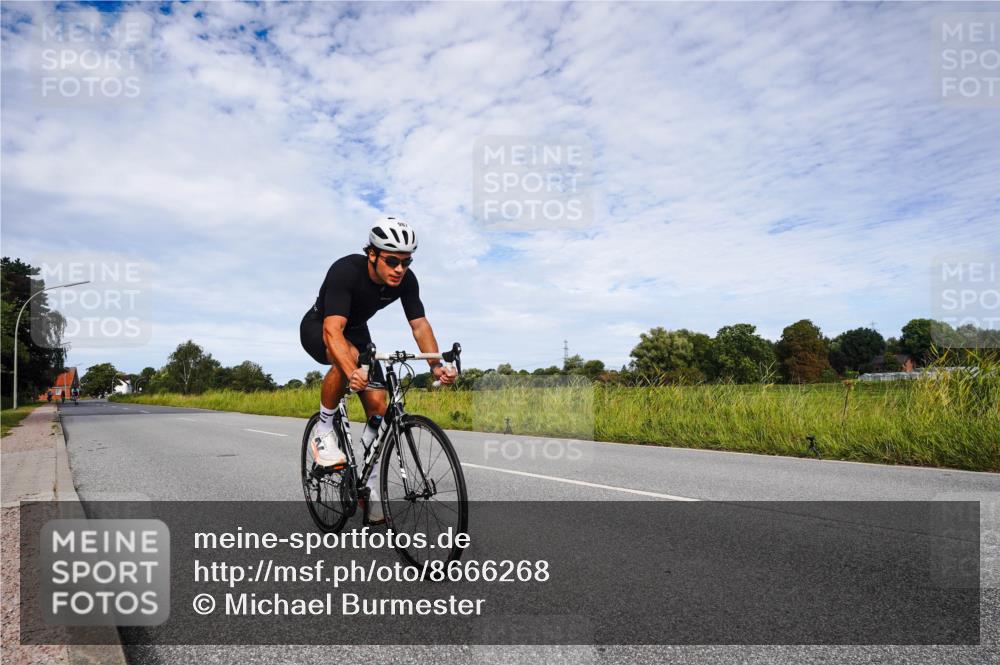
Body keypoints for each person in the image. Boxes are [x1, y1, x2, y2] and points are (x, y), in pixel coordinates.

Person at [300, 216, 457, 522]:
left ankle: (368, 485)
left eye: (406, 261)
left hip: (357, 331)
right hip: (320, 325)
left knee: (379, 407)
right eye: (392, 260)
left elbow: (420, 325)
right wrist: (351, 369)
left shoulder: (406, 281)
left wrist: (436, 365)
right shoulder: (346, 271)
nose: (400, 269)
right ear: (372, 254)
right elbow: (333, 332)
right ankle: (323, 429)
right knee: (347, 356)